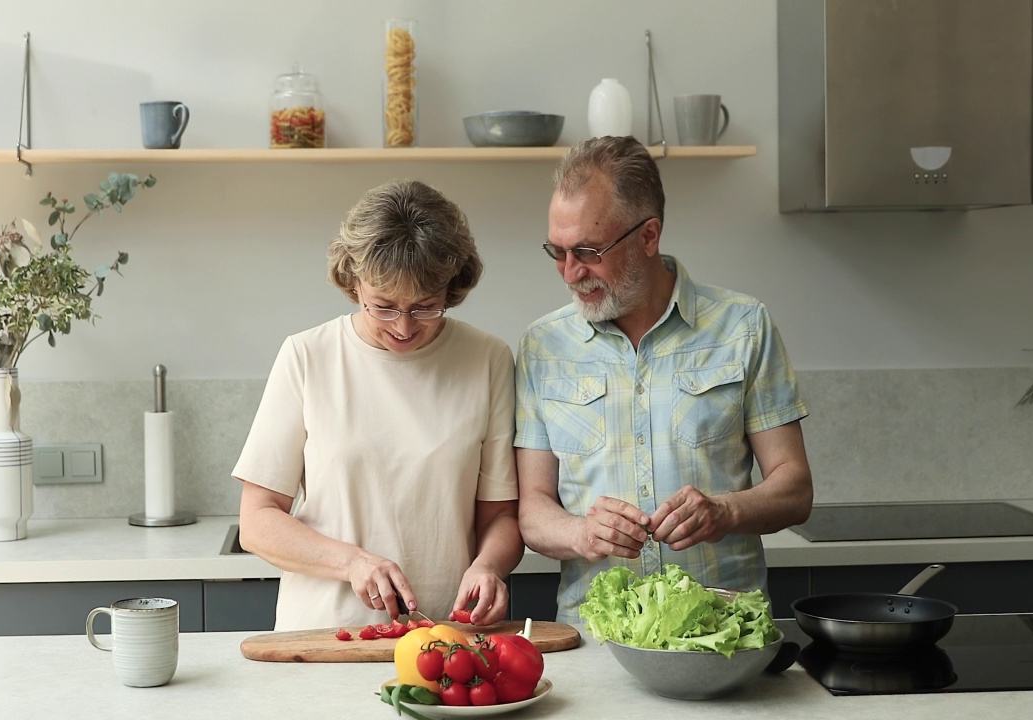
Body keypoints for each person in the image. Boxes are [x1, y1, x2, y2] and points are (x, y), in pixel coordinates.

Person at [514, 136, 814, 623]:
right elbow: (532, 510)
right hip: (596, 640)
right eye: (558, 251)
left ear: (648, 236)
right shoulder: (542, 347)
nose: (570, 274)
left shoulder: (743, 327)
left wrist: (725, 512)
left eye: (588, 251)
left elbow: (795, 488)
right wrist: (580, 534)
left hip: (721, 633)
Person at [233, 179, 522, 632]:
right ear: (353, 282)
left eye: (425, 307)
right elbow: (256, 521)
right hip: (323, 635)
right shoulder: (307, 356)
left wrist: (489, 566)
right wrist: (351, 562)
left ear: (452, 288)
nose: (405, 327)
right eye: (384, 307)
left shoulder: (487, 360)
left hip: (444, 636)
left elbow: (501, 516)